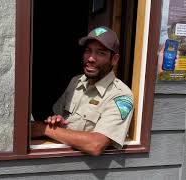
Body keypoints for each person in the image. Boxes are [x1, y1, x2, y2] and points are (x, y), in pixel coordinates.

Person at [31, 26, 134, 156]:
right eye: (88, 51)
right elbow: (58, 116)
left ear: (114, 59)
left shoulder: (120, 95)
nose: (91, 58)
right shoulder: (76, 81)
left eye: (100, 53)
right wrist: (58, 122)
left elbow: (96, 145)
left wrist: (43, 129)